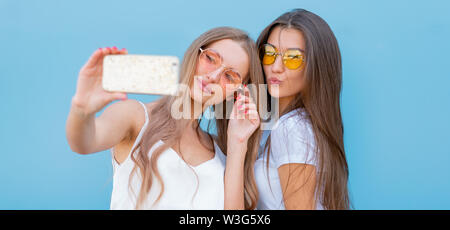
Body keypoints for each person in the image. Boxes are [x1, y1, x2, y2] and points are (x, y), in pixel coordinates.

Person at [65, 27, 263, 209]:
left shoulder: (221, 156)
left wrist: (238, 145)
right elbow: (84, 142)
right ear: (194, 54)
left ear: (235, 93)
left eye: (230, 77)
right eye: (210, 59)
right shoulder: (136, 116)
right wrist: (81, 110)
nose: (213, 76)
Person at [253, 9, 351, 210]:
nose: (276, 67)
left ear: (316, 66)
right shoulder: (294, 125)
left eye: (293, 58)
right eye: (270, 54)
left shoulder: (291, 128)